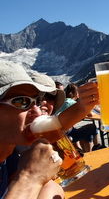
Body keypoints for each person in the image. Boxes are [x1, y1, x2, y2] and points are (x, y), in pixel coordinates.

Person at [0, 61, 63, 199]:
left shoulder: (7, 156)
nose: (37, 112)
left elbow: (50, 187)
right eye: (22, 101)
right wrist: (31, 177)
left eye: (36, 102)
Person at [55, 83, 101, 152]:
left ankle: (85, 151)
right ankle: (96, 146)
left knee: (86, 132)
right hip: (67, 135)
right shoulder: (71, 102)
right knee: (92, 127)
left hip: (62, 133)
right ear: (76, 93)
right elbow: (90, 115)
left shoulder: (63, 101)